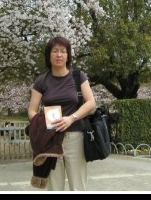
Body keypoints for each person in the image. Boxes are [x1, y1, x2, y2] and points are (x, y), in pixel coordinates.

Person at [28, 36, 97, 191]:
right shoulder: (41, 81)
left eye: (63, 51)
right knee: (54, 187)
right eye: (55, 51)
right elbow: (32, 110)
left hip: (75, 137)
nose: (59, 55)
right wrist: (42, 123)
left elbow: (91, 102)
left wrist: (71, 118)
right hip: (50, 140)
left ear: (68, 55)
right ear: (48, 55)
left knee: (78, 186)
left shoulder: (78, 76)